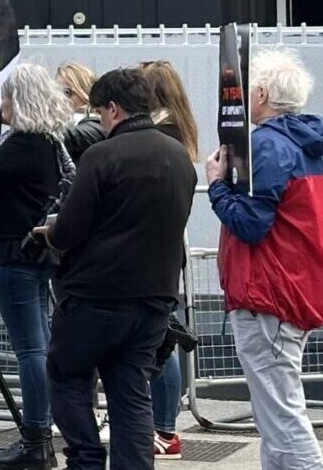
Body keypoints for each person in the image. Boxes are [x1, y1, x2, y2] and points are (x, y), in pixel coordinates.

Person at [42, 67, 198, 470]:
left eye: (99, 111)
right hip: (154, 299)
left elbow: (70, 229)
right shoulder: (179, 156)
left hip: (95, 296)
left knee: (66, 375)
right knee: (131, 393)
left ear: (113, 109)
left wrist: (50, 230)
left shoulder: (101, 155)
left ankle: (87, 458)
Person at [207, 51, 323, 470]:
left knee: (281, 420)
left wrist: (215, 185)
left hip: (269, 292)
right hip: (295, 289)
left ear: (261, 93)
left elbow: (250, 225)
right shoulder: (307, 144)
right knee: (276, 417)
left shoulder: (265, 145)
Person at [0, 65, 75, 470]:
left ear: (19, 100)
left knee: (29, 348)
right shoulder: (49, 142)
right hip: (34, 252)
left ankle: (35, 438)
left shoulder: (20, 145)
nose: (1, 106)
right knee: (40, 345)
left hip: (13, 253)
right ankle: (42, 435)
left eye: (6, 97)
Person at [140, 59, 203, 459]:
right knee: (162, 334)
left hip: (152, 250)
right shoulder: (180, 132)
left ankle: (163, 428)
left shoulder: (158, 136)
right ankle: (163, 425)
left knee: (161, 339)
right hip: (167, 249)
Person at [55, 63, 107, 163]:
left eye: (67, 92)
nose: (60, 99)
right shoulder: (68, 122)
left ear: (84, 92)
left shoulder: (97, 124)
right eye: (57, 92)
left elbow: (65, 136)